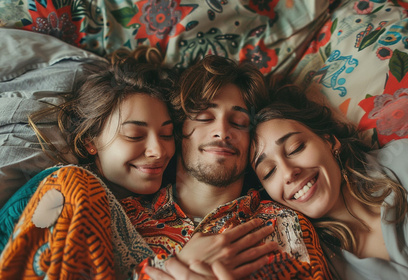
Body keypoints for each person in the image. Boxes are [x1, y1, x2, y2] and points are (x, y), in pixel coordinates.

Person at [118, 55, 333, 279]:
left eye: (238, 122)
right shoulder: (125, 217)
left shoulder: (282, 225)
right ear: (179, 128)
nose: (222, 131)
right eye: (204, 117)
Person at [0, 46, 179, 279]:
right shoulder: (67, 187)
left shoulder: (169, 207)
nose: (158, 151)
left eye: (167, 135)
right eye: (134, 135)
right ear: (90, 141)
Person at [249, 83, 408, 279]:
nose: (288, 173)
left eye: (295, 148)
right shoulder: (315, 264)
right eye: (269, 172)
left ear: (329, 140)